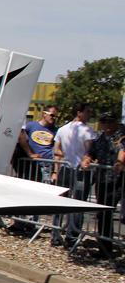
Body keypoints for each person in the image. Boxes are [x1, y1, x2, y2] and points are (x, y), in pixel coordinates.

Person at [50, 103, 97, 248]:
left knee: (61, 203)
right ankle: (71, 237)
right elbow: (90, 152)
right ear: (79, 112)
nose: (89, 114)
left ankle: (56, 234)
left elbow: (56, 150)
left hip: (65, 167)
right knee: (77, 204)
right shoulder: (88, 130)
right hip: (80, 171)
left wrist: (56, 170)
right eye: (87, 111)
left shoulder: (62, 129)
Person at [90, 113, 124, 256]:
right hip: (103, 179)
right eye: (104, 122)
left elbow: (123, 150)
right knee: (103, 213)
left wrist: (120, 162)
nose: (106, 126)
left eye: (109, 122)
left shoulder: (122, 134)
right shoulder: (100, 137)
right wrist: (87, 158)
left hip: (119, 180)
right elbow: (92, 152)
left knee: (117, 215)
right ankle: (105, 248)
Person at [18, 105, 58, 182]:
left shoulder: (56, 130)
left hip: (47, 166)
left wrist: (55, 171)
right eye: (52, 115)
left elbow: (56, 150)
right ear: (44, 114)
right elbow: (22, 138)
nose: (54, 118)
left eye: (56, 116)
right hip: (30, 165)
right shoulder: (31, 125)